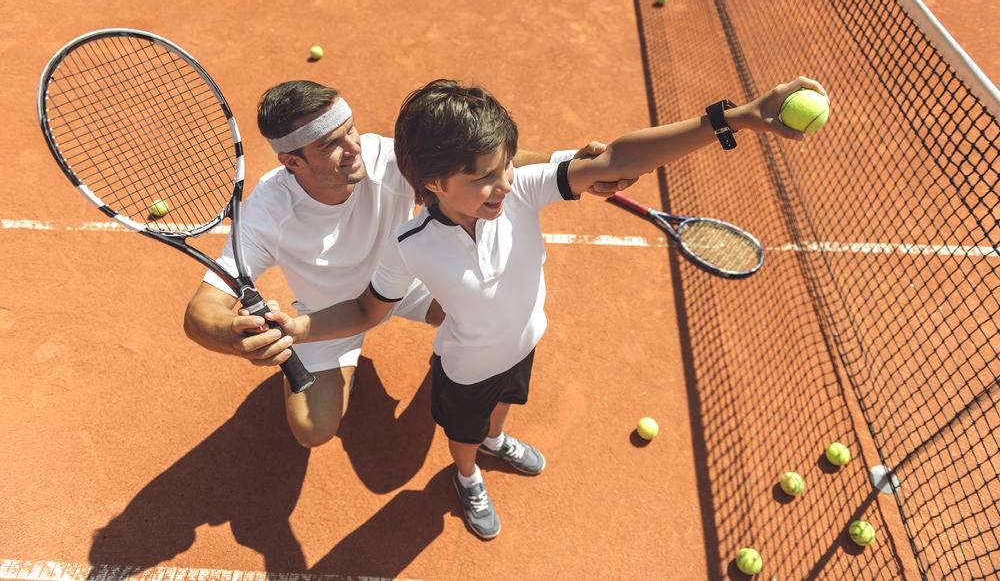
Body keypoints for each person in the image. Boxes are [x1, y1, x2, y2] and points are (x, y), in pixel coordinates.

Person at [249, 75, 825, 538]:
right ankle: (469, 475)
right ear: (432, 183)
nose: (502, 186)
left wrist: (737, 117)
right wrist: (299, 326)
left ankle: (497, 441)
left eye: (504, 169)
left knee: (504, 407)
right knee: (465, 429)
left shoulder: (520, 190)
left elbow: (618, 157)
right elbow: (367, 312)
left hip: (523, 344)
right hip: (465, 368)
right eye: (484, 178)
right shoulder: (411, 246)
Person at [183, 79, 635, 448]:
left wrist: (567, 162)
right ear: (291, 162)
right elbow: (201, 311)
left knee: (476, 305)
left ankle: (452, 375)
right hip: (328, 315)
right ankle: (345, 361)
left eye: (350, 130)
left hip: (404, 284)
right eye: (330, 145)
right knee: (311, 431)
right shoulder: (268, 212)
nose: (353, 147)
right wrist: (233, 337)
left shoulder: (387, 158)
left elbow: (480, 163)